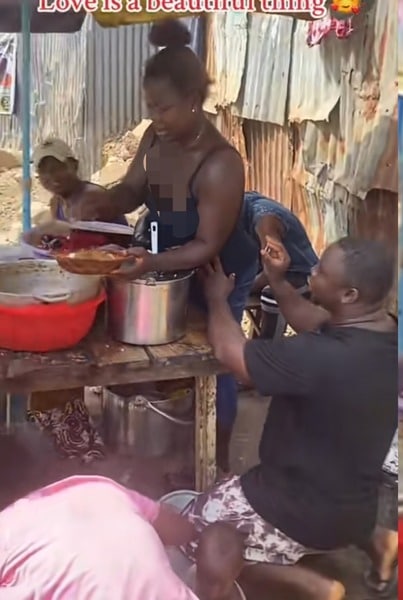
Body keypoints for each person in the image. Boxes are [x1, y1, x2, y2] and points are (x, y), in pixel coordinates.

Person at [79, 20, 260, 473]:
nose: (155, 118)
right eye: (150, 107)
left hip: (216, 269)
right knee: (165, 352)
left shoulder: (220, 163)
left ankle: (216, 456)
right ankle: (170, 438)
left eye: (163, 108)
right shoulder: (155, 138)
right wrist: (102, 199)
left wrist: (150, 262)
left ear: (194, 101)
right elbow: (133, 190)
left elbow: (207, 244)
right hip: (165, 256)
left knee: (214, 356)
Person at [188, 236, 397, 600]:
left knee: (196, 530)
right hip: (358, 506)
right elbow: (313, 321)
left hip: (296, 509)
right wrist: (277, 280)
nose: (312, 271)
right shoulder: (386, 332)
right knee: (338, 499)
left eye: (321, 272)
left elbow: (228, 350)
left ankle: (314, 587)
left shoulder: (320, 357)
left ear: (349, 295)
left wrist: (217, 299)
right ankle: (378, 540)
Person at [0, 473, 244, 600]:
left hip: (28, 538)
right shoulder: (163, 588)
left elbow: (174, 525)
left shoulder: (105, 490)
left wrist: (198, 534)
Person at [240, 191, 319, 338]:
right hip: (272, 272)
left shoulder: (264, 221)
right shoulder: (242, 206)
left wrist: (245, 287)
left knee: (271, 294)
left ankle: (270, 342)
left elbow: (272, 269)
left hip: (300, 274)